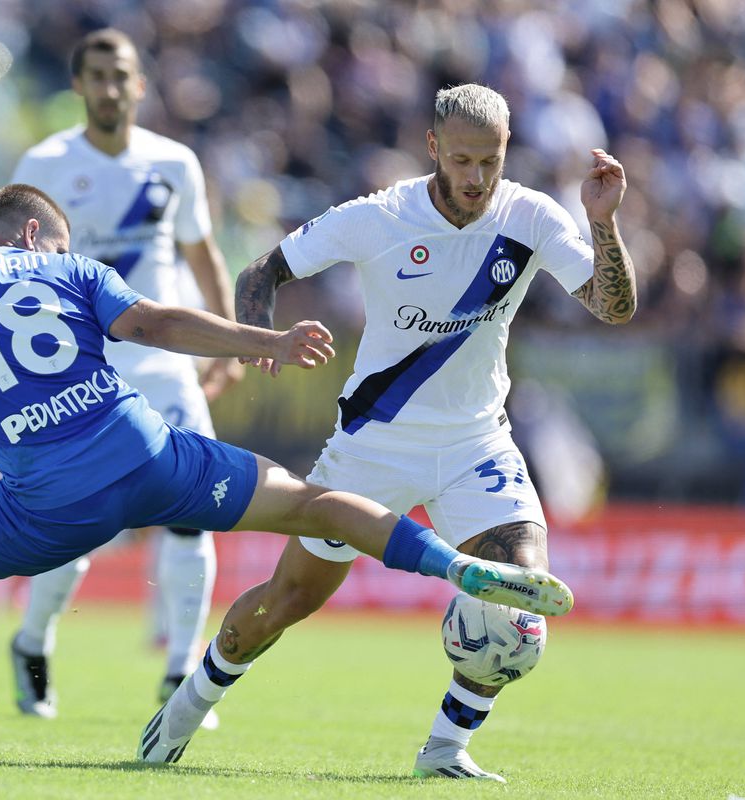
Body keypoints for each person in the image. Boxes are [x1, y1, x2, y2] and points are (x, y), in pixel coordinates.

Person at [0, 184, 574, 758]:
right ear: (37, 235)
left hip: (47, 508)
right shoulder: (69, 273)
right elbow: (158, 328)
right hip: (150, 457)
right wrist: (266, 338)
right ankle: (450, 567)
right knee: (315, 504)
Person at [140, 84, 636, 780]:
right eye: (461, 160)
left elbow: (613, 308)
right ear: (433, 148)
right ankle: (191, 701)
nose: (476, 178)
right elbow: (265, 270)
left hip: (476, 444)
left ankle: (444, 750)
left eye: (490, 162)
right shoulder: (380, 217)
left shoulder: (533, 216)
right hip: (372, 444)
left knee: (517, 607)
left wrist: (604, 222)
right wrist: (260, 338)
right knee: (288, 602)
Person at [5, 28, 242, 722]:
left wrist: (223, 347)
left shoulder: (175, 163)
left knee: (196, 516)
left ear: (141, 84)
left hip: (166, 368)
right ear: (78, 87)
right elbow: (10, 275)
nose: (111, 88)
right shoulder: (43, 164)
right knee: (73, 530)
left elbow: (203, 258)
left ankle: (180, 675)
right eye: (97, 77)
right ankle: (31, 640)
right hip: (83, 372)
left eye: (122, 76)